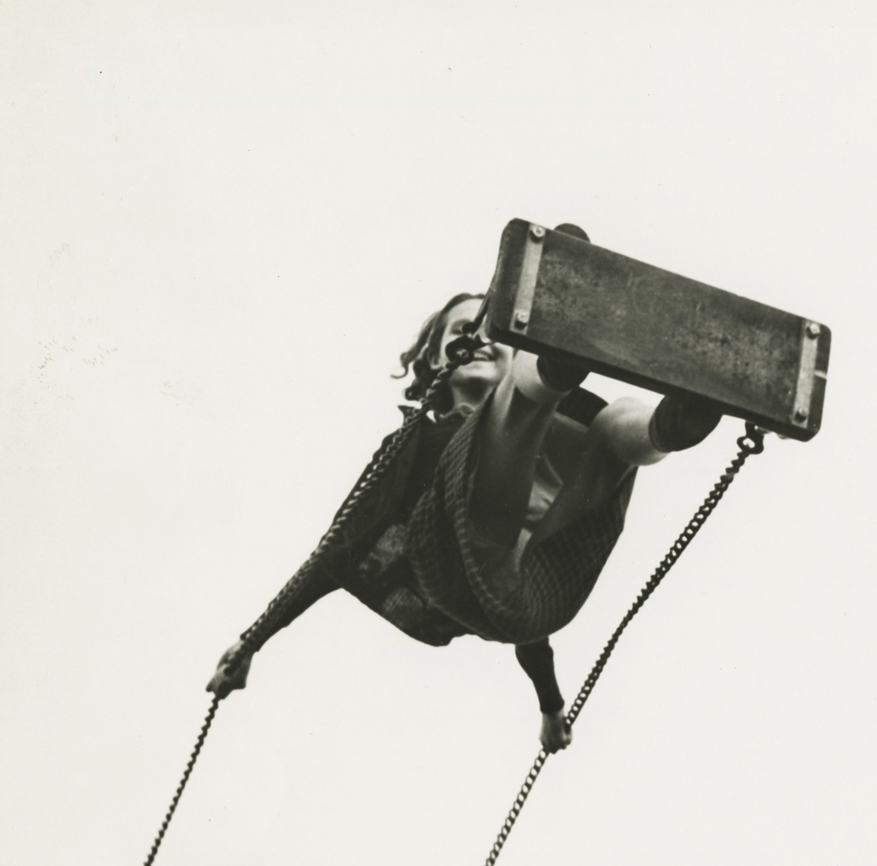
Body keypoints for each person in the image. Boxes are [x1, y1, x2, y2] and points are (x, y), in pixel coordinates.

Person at [206, 249, 722, 752]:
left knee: (609, 425)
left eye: (495, 335)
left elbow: (528, 622)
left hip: (549, 577)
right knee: (511, 412)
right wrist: (254, 640)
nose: (477, 341)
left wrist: (549, 709)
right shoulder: (421, 441)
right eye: (463, 332)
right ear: (437, 358)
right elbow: (340, 545)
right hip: (461, 566)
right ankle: (551, 361)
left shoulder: (565, 429)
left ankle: (668, 426)